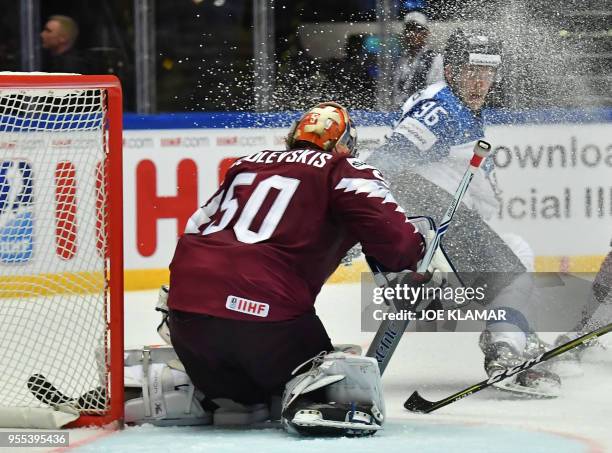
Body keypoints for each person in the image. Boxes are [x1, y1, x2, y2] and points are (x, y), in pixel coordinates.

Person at [164, 102, 431, 436]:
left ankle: (220, 393)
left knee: (245, 392)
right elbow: (399, 248)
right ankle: (308, 396)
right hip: (266, 330)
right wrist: (419, 249)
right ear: (345, 144)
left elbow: (194, 229)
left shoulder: (246, 165)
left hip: (188, 324)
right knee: (333, 372)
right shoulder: (343, 169)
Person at [367, 28, 561, 396]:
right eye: (471, 70)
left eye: (488, 70)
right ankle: (505, 352)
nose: (480, 80)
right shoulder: (443, 110)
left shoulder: (451, 105)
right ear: (451, 71)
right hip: (435, 225)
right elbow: (382, 165)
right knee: (512, 274)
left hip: (437, 224)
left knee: (516, 250)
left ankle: (516, 340)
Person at [391, 11, 443, 108]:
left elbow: (436, 92)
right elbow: (395, 93)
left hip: (420, 113)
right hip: (399, 113)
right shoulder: (400, 59)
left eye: (417, 30)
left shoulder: (434, 58)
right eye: (409, 30)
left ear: (426, 33)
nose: (412, 34)